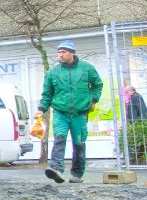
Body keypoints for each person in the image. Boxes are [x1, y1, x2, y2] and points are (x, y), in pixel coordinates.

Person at [35, 40, 103, 184]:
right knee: (59, 139)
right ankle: (56, 169)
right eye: (59, 52)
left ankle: (77, 174)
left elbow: (97, 85)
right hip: (60, 112)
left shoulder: (87, 68)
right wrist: (41, 110)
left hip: (80, 114)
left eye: (64, 52)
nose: (60, 55)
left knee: (79, 143)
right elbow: (47, 94)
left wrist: (94, 100)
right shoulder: (53, 72)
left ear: (72, 53)